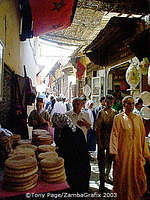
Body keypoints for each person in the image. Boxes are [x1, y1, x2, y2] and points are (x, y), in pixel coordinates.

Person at [110, 96, 150, 200]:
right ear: (124, 105)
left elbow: (142, 136)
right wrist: (114, 153)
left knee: (138, 175)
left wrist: (145, 153)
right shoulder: (118, 118)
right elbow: (114, 135)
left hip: (137, 153)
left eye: (132, 103)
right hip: (123, 154)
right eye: (128, 103)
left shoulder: (138, 118)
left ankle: (135, 196)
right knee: (123, 176)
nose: (131, 106)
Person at [52, 113, 91, 192]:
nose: (55, 127)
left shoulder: (67, 131)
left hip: (75, 165)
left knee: (75, 187)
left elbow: (65, 148)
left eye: (56, 125)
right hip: (81, 164)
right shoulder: (73, 128)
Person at [95, 95, 117, 192]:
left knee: (109, 160)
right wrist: (99, 142)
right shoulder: (101, 112)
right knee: (101, 162)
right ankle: (102, 183)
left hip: (111, 140)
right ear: (105, 102)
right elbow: (97, 129)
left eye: (111, 102)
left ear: (113, 102)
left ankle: (107, 177)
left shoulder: (115, 113)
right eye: (107, 102)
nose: (109, 103)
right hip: (102, 140)